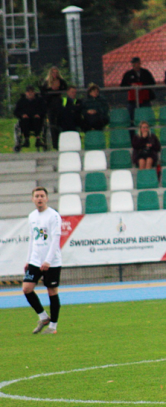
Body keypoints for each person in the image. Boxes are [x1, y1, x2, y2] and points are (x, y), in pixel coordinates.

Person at [23, 187, 62, 336]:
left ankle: (53, 325)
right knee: (27, 288)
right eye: (36, 196)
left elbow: (55, 239)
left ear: (46, 198)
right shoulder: (32, 216)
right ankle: (43, 317)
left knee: (51, 291)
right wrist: (28, 260)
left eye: (42, 196)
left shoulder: (53, 216)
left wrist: (48, 260)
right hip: (35, 260)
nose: (39, 198)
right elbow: (32, 239)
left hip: (51, 261)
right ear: (32, 199)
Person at [120, 57, 156, 125]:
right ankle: (132, 134)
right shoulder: (128, 74)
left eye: (137, 63)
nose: (135, 65)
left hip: (145, 99)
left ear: (140, 63)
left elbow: (152, 83)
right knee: (131, 119)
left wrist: (142, 85)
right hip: (133, 101)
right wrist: (131, 85)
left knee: (146, 117)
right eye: (134, 63)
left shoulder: (146, 73)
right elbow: (122, 86)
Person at [40, 67, 68, 150]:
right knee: (52, 124)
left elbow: (65, 89)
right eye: (53, 73)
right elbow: (43, 93)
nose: (55, 74)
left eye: (56, 73)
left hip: (59, 104)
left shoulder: (61, 82)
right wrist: (51, 89)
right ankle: (55, 143)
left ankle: (61, 142)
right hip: (50, 106)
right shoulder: (46, 83)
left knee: (59, 123)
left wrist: (58, 89)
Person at [14, 86, 46, 151]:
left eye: (32, 92)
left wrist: (39, 114)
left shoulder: (39, 101)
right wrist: (22, 115)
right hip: (26, 120)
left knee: (37, 120)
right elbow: (16, 111)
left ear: (34, 93)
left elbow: (44, 110)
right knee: (24, 121)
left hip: (36, 119)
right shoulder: (21, 101)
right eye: (28, 92)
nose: (30, 93)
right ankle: (26, 139)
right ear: (26, 93)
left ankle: (38, 139)